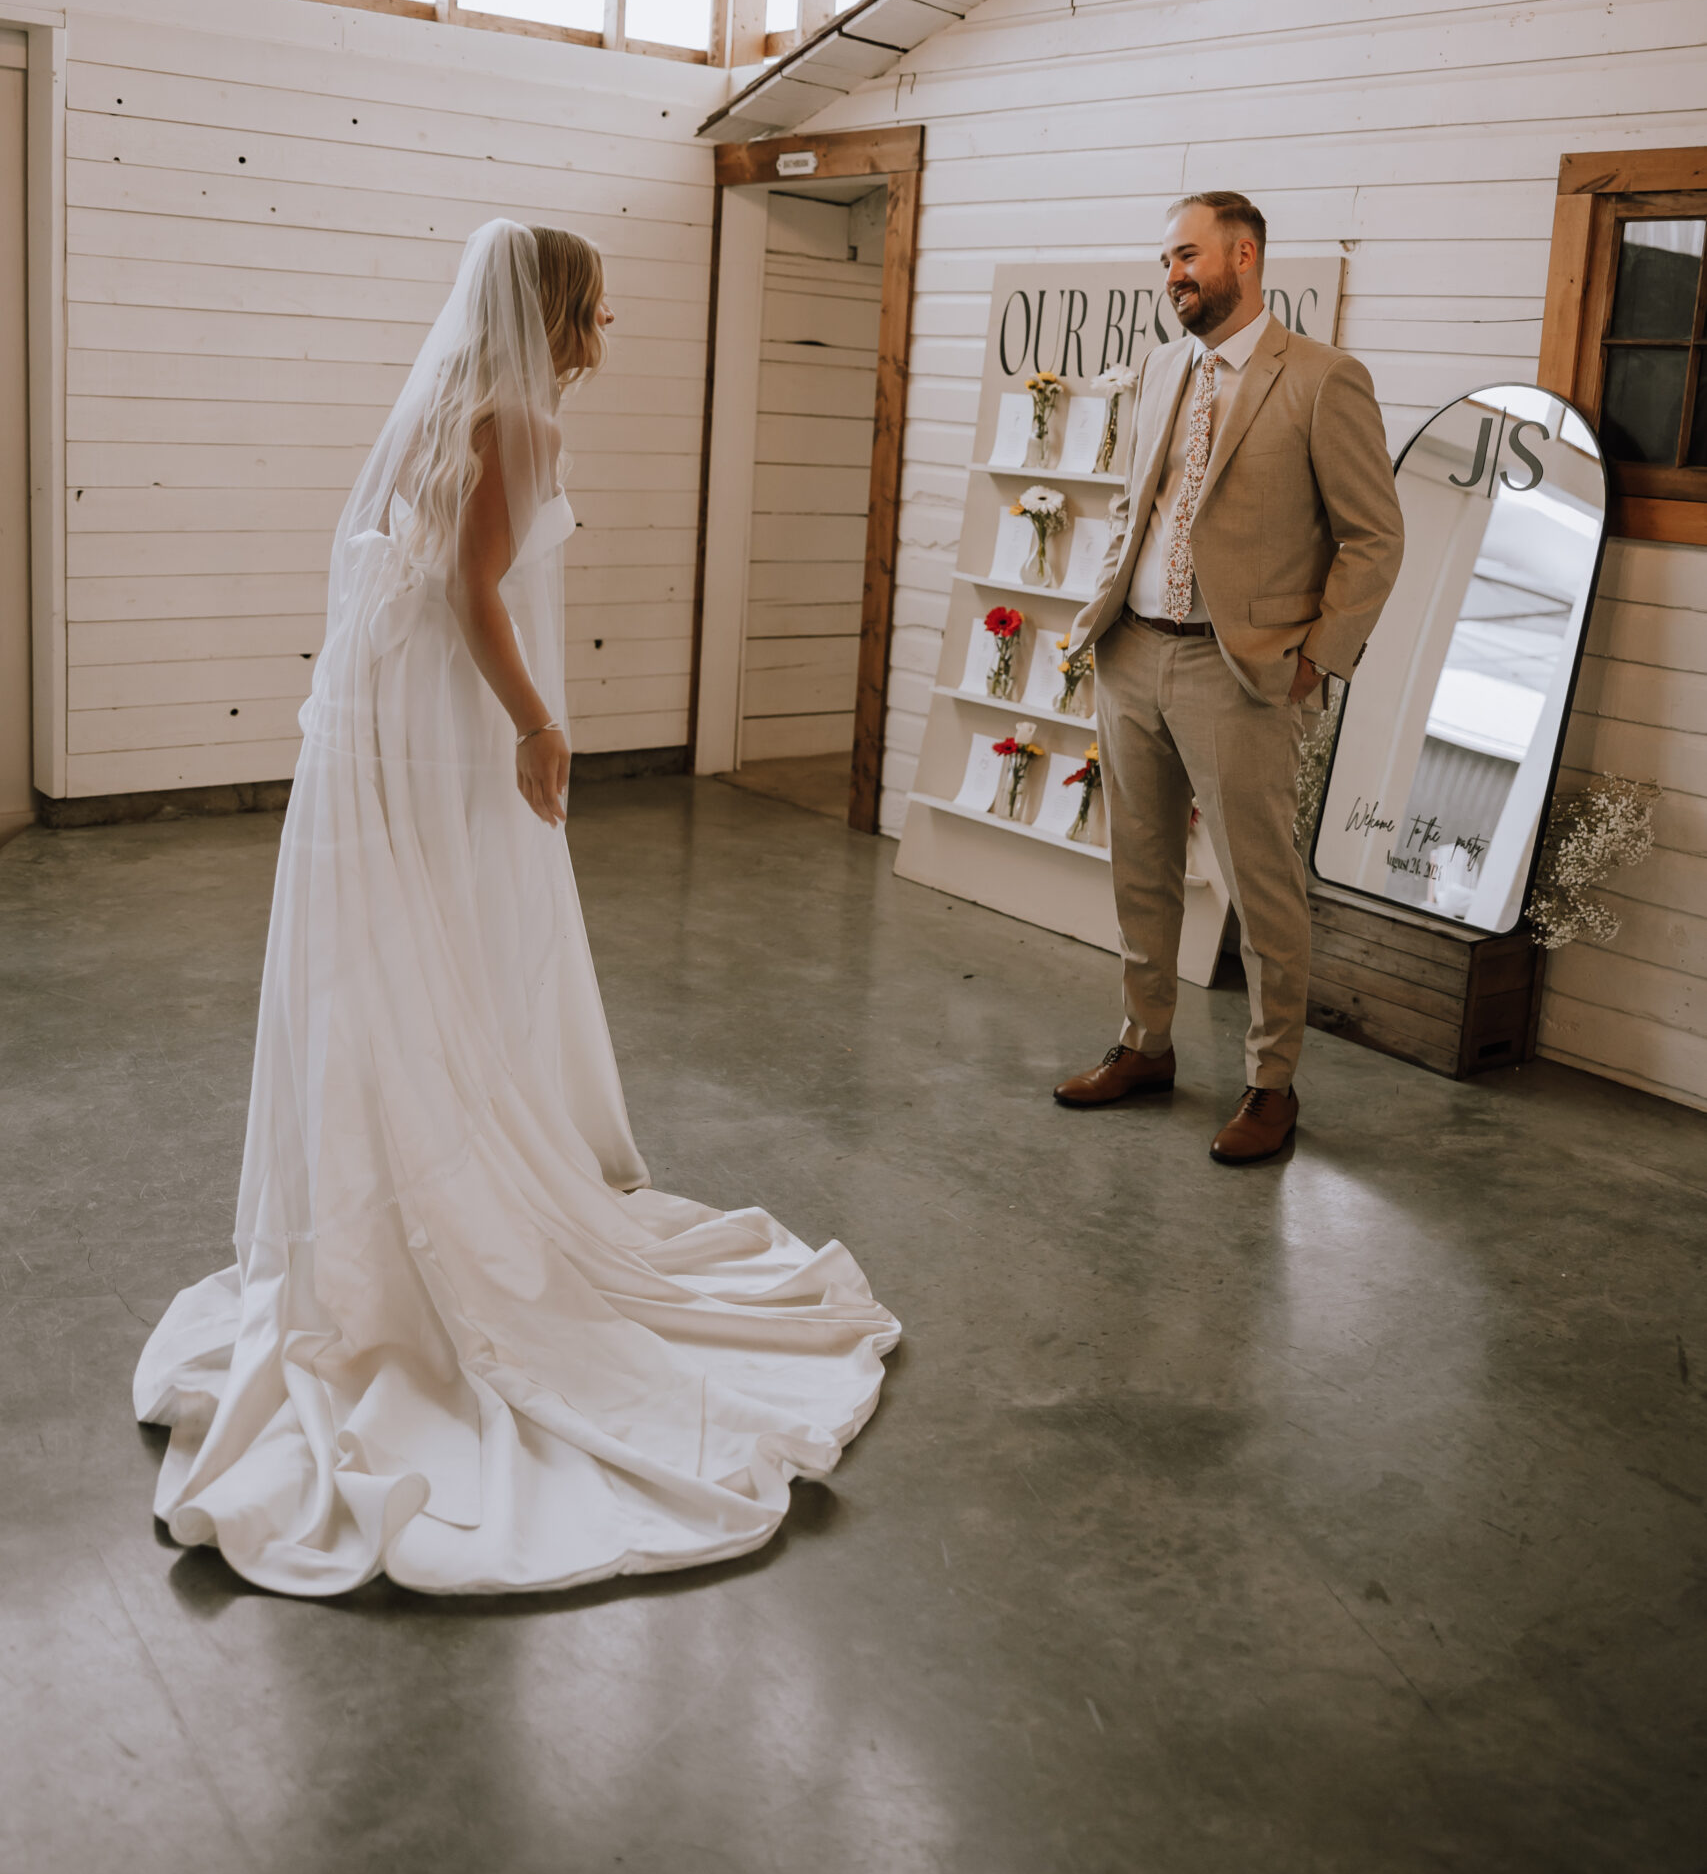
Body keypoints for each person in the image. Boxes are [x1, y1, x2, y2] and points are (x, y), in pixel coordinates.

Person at [135, 219, 898, 1596]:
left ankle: (374, 1212)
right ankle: (441, 1227)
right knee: (450, 965)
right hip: (441, 734)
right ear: (553, 316)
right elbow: (472, 591)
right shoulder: (515, 421)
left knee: (400, 973)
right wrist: (540, 730)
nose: (603, 340)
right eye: (593, 314)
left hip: (380, 729)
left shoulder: (440, 406)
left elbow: (403, 574)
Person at [1053, 193, 1404, 1164]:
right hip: (1135, 653)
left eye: (1187, 256)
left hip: (1241, 669)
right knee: (1141, 867)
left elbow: (1374, 538)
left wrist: (1317, 659)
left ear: (1245, 255)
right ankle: (1144, 1043)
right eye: (1168, 259)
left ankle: (1270, 1083)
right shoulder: (1166, 365)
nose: (1173, 274)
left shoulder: (1326, 379)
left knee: (1262, 887)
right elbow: (1141, 503)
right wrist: (1103, 620)